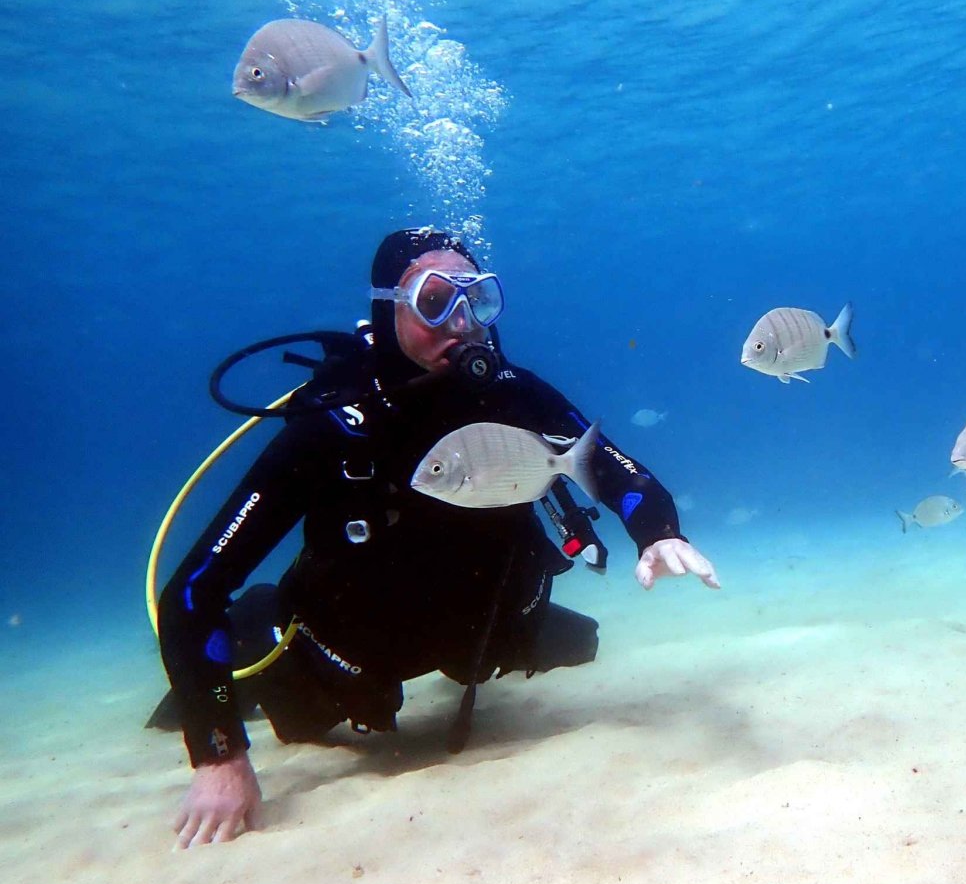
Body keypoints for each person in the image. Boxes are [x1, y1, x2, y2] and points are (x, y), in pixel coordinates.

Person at [153, 228, 718, 848]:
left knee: (580, 642)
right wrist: (219, 757)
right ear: (386, 306)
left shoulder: (513, 394)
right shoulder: (334, 424)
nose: (463, 323)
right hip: (352, 650)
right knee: (299, 711)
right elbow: (193, 588)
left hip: (486, 628)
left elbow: (611, 467)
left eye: (478, 302)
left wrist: (657, 534)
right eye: (433, 302)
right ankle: (264, 631)